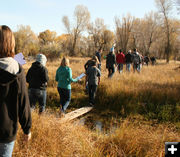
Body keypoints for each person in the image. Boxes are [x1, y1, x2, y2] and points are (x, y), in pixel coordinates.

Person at [0, 25, 31, 157]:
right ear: (11, 43)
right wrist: (27, 129)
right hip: (7, 131)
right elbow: (23, 102)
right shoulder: (17, 69)